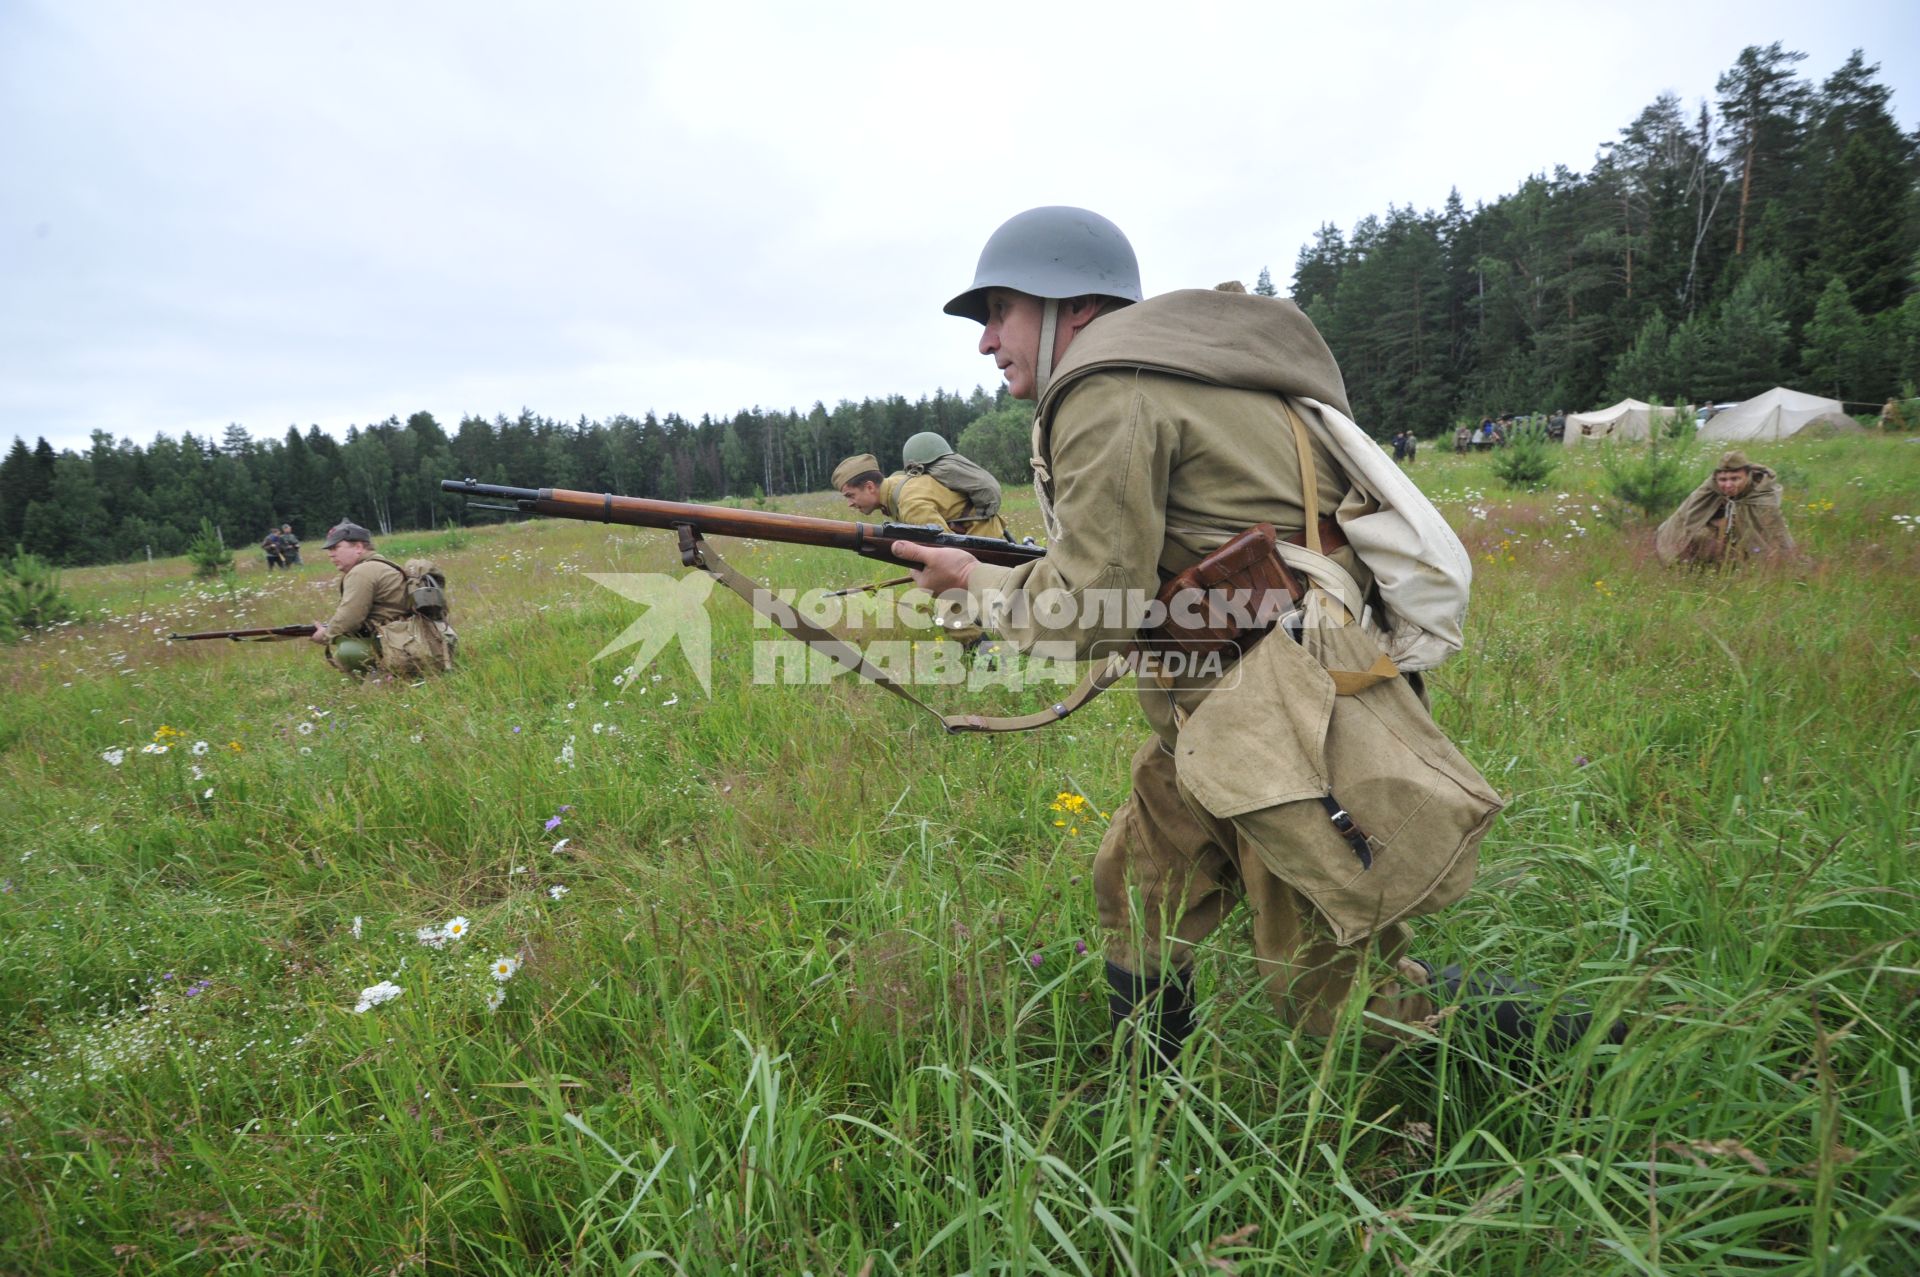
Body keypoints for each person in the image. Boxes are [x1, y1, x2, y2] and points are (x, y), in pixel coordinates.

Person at [896, 206, 1608, 1072]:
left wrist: (972, 581)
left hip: (1273, 716)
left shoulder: (1106, 386)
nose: (985, 341)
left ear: (1069, 305)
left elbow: (1087, 609)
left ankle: (1592, 1055)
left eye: (998, 311)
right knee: (1142, 883)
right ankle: (1143, 1099)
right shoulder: (1209, 370)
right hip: (1249, 694)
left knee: (1339, 997)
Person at [830, 437, 1012, 540]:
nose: (850, 504)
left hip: (983, 539)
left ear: (869, 487)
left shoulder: (909, 503)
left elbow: (948, 548)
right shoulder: (895, 488)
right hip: (980, 536)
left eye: (850, 495)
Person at [1655, 451, 1796, 567]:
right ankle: (1703, 569)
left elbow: (1775, 533)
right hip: (1720, 540)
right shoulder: (1710, 489)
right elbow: (1686, 517)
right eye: (1723, 479)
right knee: (1701, 535)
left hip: (1749, 545)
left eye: (1735, 479)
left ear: (1748, 476)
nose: (1728, 485)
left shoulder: (1762, 494)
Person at [308, 521, 409, 673]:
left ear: (358, 547)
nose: (331, 554)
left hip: (397, 642)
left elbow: (349, 618)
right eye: (329, 549)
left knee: (348, 651)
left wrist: (326, 634)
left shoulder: (362, 571)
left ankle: (382, 675)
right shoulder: (381, 564)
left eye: (336, 547)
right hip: (405, 638)